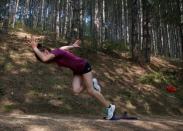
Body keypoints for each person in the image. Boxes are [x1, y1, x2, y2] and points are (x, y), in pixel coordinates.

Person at [27, 36, 115, 119]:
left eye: (41, 54)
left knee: (91, 90)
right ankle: (91, 82)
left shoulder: (54, 53)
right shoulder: (55, 53)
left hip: (83, 66)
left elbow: (44, 59)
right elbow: (63, 48)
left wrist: (34, 47)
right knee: (76, 90)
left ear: (46, 51)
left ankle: (110, 107)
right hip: (77, 70)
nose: (42, 57)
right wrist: (72, 45)